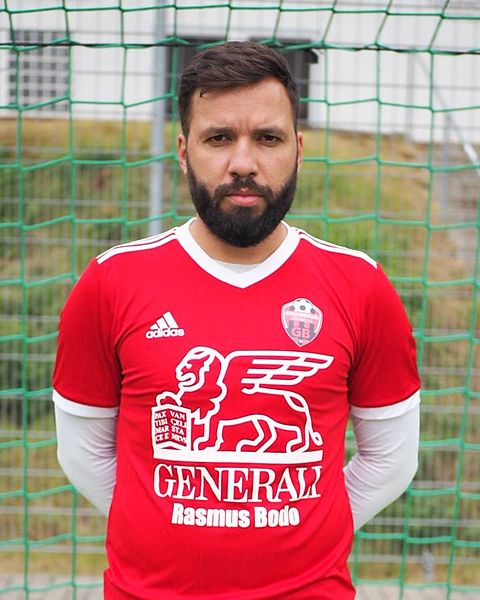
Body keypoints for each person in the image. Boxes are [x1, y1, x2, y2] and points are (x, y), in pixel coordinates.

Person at [52, 41, 421, 599]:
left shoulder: (361, 285)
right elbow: (83, 454)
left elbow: (390, 459)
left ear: (298, 149)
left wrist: (306, 533)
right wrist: (161, 522)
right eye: (219, 138)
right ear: (184, 151)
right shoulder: (111, 282)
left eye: (267, 138)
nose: (243, 164)